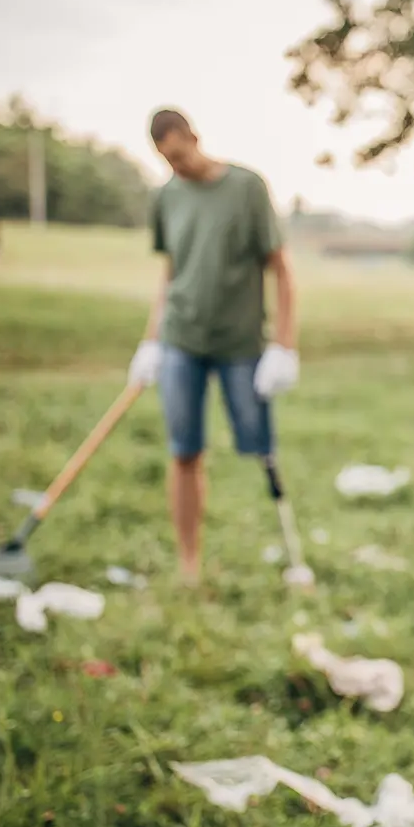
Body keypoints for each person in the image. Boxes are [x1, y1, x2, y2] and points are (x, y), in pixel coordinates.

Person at [125, 108, 299, 585]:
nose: (175, 167)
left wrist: (284, 346)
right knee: (184, 451)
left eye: (180, 155)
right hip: (182, 338)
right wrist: (151, 342)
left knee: (259, 444)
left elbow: (281, 270)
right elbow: (170, 272)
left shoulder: (246, 188)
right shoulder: (166, 198)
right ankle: (188, 564)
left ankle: (289, 549)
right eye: (166, 160)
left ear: (194, 137)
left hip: (241, 343)